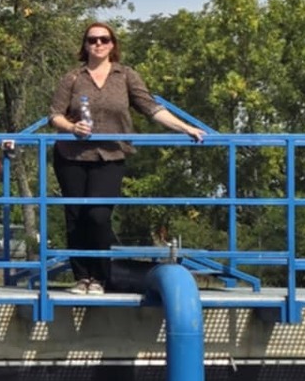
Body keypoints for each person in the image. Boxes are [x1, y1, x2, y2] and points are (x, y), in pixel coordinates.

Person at [49, 22, 205, 294]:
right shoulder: (73, 77)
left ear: (113, 44)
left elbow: (151, 108)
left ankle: (100, 277)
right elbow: (54, 115)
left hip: (110, 155)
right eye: (92, 40)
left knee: (98, 215)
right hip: (71, 155)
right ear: (85, 45)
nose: (98, 44)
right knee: (75, 217)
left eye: (104, 39)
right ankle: (81, 277)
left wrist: (185, 128)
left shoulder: (126, 76)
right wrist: (72, 128)